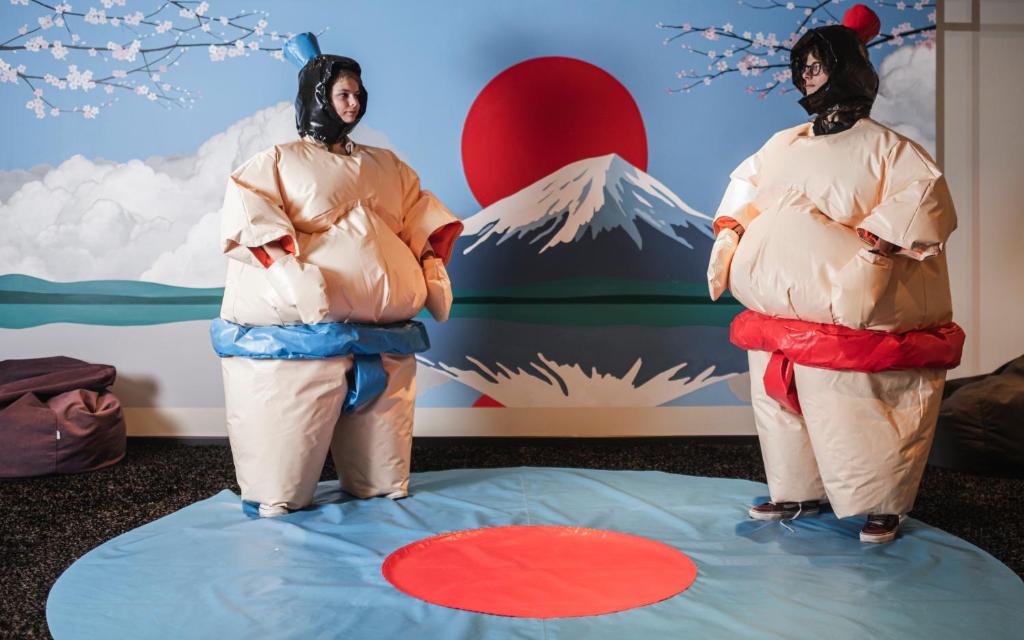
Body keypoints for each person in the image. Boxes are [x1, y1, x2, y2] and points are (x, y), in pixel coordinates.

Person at [706, 5, 963, 543]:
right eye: (802, 67)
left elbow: (924, 197)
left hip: (856, 313)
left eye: (818, 65)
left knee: (857, 413)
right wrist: (731, 231)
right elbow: (745, 189)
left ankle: (879, 504)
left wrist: (877, 240)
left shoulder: (888, 150)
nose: (807, 76)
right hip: (779, 318)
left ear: (846, 68)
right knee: (783, 408)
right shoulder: (783, 144)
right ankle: (795, 488)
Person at [211, 33, 463, 517]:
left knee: (384, 473)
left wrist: (430, 266)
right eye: (342, 94)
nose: (353, 103)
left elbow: (417, 215)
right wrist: (288, 273)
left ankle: (380, 482)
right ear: (317, 97)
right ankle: (277, 491)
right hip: (297, 341)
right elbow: (251, 217)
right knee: (284, 475)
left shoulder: (386, 166)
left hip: (384, 338)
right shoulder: (278, 163)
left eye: (357, 94)